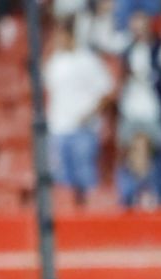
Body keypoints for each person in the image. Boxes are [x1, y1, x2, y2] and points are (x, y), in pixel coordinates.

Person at [44, 18, 114, 204]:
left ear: (70, 35)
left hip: (83, 130)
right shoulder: (54, 62)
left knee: (86, 179)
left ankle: (89, 223)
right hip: (58, 129)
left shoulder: (87, 60)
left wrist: (89, 115)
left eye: (61, 35)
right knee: (62, 183)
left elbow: (107, 91)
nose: (58, 39)